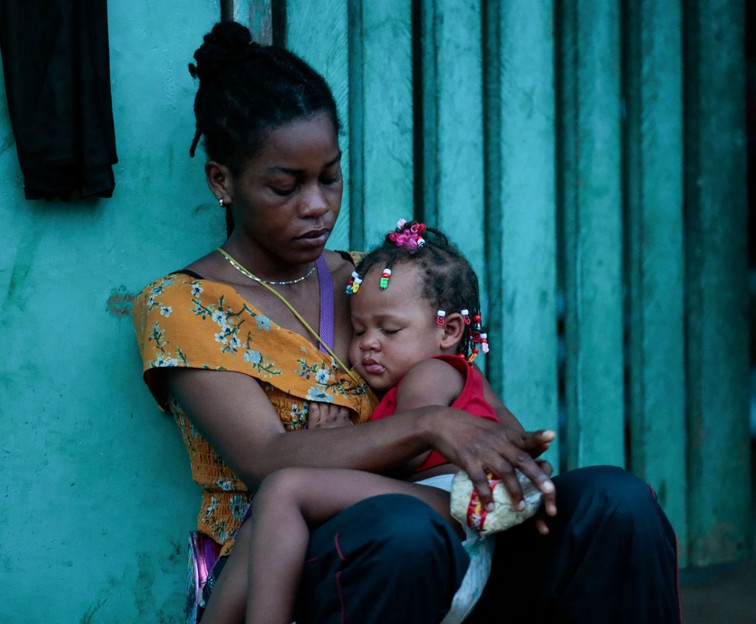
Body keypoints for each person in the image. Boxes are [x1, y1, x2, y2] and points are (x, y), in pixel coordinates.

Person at [133, 20, 682, 624]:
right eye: (285, 187)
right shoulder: (184, 305)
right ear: (223, 182)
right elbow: (266, 460)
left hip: (455, 540)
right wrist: (426, 428)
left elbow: (478, 412)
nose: (316, 205)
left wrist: (515, 472)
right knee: (403, 530)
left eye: (330, 177)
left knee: (615, 501)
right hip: (296, 565)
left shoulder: (379, 282)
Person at [201, 220, 536, 624]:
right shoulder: (465, 377)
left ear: (448, 331)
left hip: (448, 503)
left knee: (284, 488)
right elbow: (513, 433)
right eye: (359, 329)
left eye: (389, 330)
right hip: (452, 518)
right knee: (259, 529)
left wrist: (340, 440)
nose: (367, 343)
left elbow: (409, 450)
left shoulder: (430, 374)